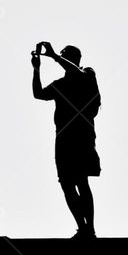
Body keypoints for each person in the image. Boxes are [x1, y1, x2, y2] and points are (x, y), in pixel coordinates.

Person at [32, 41, 101, 239]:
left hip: (81, 136)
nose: (62, 59)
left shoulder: (88, 73)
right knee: (66, 184)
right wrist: (36, 69)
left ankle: (90, 229)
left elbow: (78, 74)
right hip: (62, 138)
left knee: (81, 181)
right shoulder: (60, 84)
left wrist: (54, 56)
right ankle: (83, 228)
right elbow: (38, 94)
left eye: (65, 56)